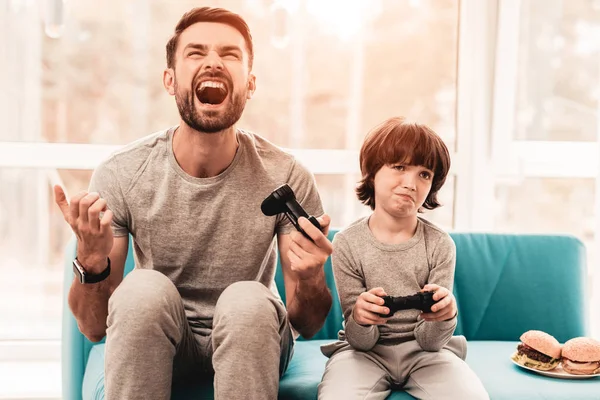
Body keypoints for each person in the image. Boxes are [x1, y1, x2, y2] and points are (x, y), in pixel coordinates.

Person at [54, 7, 333, 400]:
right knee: (141, 290)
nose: (214, 62)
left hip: (248, 334)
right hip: (163, 336)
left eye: (230, 54)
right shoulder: (122, 172)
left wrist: (311, 277)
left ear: (250, 84)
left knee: (249, 299)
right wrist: (91, 262)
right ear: (170, 80)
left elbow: (307, 321)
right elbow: (94, 327)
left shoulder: (286, 174)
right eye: (196, 52)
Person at [318, 117, 489, 399]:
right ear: (373, 173)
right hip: (364, 355)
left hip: (427, 354)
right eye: (399, 167)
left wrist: (445, 317)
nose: (411, 183)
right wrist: (360, 318)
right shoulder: (347, 243)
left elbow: (431, 342)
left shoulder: (440, 244)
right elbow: (361, 342)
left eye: (424, 174)